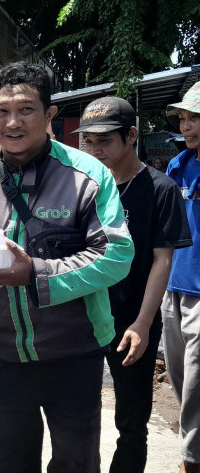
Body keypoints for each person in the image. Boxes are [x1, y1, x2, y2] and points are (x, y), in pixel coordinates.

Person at [0, 62, 134, 472]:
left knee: (75, 463)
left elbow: (115, 255)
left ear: (49, 114)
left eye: (26, 110)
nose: (13, 122)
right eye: (2, 112)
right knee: (2, 462)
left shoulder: (88, 176)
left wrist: (35, 273)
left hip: (73, 353)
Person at [76, 96, 191, 472]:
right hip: (82, 320)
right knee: (75, 415)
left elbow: (163, 260)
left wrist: (142, 323)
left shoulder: (161, 190)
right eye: (87, 142)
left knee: (131, 423)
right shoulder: (84, 188)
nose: (95, 150)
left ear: (131, 136)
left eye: (104, 141)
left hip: (131, 321)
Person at [162, 81, 200, 473]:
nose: (186, 125)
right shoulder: (181, 165)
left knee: (196, 381)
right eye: (184, 118)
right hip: (174, 284)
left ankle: (191, 460)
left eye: (195, 118)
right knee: (179, 374)